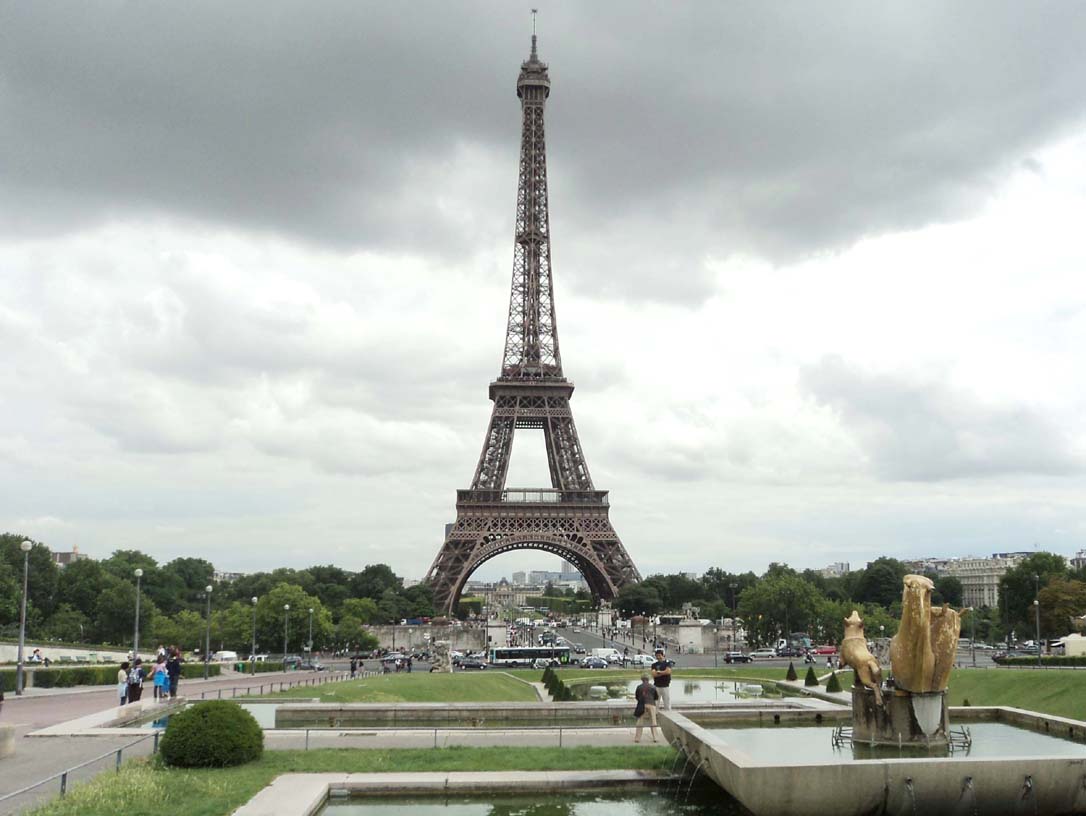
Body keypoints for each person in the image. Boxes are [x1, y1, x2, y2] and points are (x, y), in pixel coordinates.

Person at [633, 673, 660, 743]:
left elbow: (637, 697)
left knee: (640, 721)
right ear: (649, 679)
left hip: (642, 704)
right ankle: (655, 738)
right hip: (651, 704)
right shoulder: (653, 687)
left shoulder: (639, 687)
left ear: (641, 679)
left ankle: (637, 738)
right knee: (653, 721)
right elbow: (656, 697)